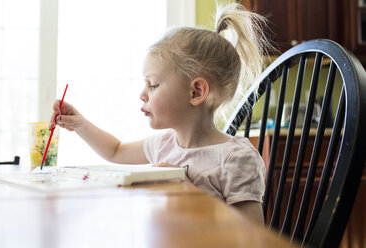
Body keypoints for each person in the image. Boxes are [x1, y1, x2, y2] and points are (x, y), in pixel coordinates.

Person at [49, 3, 271, 224]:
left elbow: (250, 234)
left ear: (196, 92)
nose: (142, 94)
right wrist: (80, 124)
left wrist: (190, 195)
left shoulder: (235, 158)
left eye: (153, 84)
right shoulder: (163, 146)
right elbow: (115, 151)